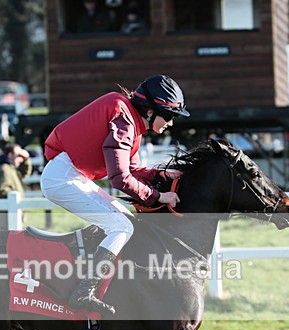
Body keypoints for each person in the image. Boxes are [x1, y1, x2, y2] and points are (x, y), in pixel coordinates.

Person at [41, 74, 189, 314]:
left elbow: (134, 170)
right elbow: (120, 178)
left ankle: (110, 283)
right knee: (122, 227)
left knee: (124, 219)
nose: (171, 123)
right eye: (169, 116)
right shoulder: (124, 119)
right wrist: (159, 197)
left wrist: (163, 175)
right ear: (150, 111)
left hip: (71, 174)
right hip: (62, 178)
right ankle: (83, 292)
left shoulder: (129, 120)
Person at [0, 142, 33, 229]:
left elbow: (25, 173)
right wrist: (15, 198)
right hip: (7, 217)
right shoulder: (4, 169)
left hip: (13, 215)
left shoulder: (11, 168)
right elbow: (2, 190)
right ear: (10, 155)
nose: (21, 159)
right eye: (18, 155)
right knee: (6, 241)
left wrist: (26, 159)